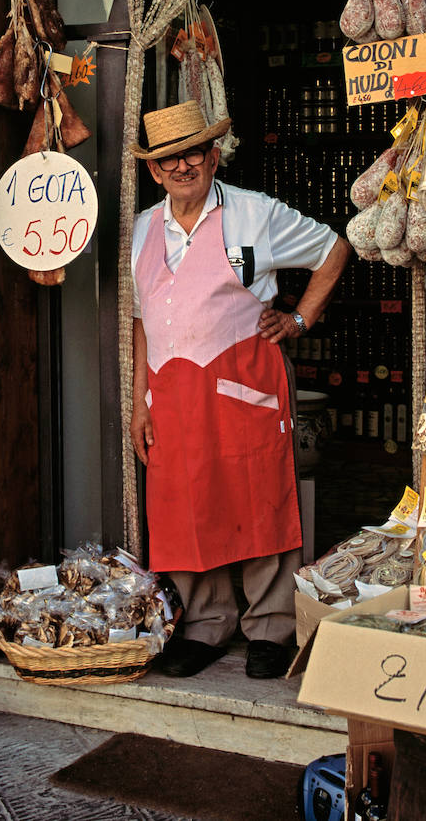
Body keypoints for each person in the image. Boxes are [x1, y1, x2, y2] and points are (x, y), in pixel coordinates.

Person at [129, 100, 349, 679]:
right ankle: (206, 624)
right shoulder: (143, 230)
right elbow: (139, 323)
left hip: (244, 382)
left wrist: (299, 319)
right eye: (168, 159)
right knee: (184, 505)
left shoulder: (256, 215)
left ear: (213, 155)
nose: (182, 167)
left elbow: (334, 250)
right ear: (154, 171)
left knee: (259, 498)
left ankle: (271, 627)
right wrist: (138, 405)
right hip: (171, 393)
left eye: (192, 153)